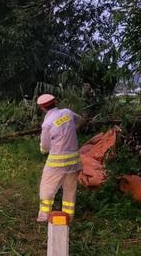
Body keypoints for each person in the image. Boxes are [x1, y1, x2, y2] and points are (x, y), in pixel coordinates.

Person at [36, 94, 84, 222]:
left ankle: (44, 217)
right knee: (70, 189)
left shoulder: (47, 124)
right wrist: (73, 129)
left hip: (57, 162)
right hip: (73, 161)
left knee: (47, 188)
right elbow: (80, 120)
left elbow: (45, 146)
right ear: (55, 102)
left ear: (42, 108)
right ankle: (69, 216)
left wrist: (43, 149)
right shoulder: (67, 113)